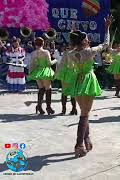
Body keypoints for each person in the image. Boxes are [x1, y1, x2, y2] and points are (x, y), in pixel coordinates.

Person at [65, 16, 112, 158]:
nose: (88, 40)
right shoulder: (89, 51)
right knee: (85, 114)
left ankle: (86, 139)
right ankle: (78, 145)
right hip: (88, 80)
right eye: (86, 39)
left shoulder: (71, 53)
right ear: (83, 41)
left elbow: (73, 45)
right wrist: (107, 27)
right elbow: (106, 43)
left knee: (84, 112)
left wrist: (74, 34)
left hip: (78, 81)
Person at [28, 37, 56, 115]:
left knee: (41, 89)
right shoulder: (46, 52)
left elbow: (32, 64)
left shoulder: (33, 53)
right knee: (48, 89)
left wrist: (30, 72)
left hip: (37, 72)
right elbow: (49, 63)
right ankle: (48, 107)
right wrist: (55, 60)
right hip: (45, 71)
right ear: (43, 43)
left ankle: (39, 107)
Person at [55, 36, 78, 115]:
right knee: (72, 92)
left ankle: (64, 110)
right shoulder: (78, 52)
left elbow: (62, 64)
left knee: (64, 92)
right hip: (74, 73)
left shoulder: (66, 52)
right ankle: (74, 109)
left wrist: (57, 73)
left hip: (67, 73)